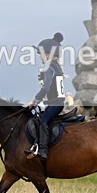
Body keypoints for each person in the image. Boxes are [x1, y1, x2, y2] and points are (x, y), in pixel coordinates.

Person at [26, 32, 66, 160]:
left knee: (43, 122)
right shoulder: (56, 66)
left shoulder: (49, 67)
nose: (39, 55)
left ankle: (42, 151)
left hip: (55, 103)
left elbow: (46, 88)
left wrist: (34, 101)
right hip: (54, 102)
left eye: (40, 53)